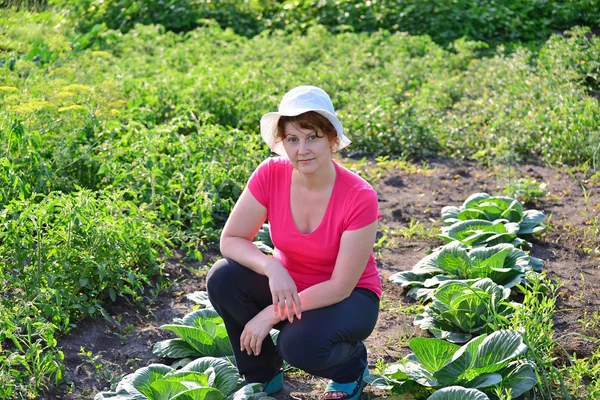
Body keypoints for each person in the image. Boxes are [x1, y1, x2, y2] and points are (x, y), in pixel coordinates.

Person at [206, 85, 381, 400]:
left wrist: (270, 314)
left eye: (312, 136)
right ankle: (263, 375)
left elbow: (340, 286)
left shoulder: (359, 196)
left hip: (348, 298)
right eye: (292, 139)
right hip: (289, 284)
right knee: (223, 277)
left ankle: (350, 368)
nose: (303, 149)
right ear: (282, 142)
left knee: (297, 345)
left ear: (331, 139)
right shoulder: (270, 175)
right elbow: (231, 239)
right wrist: (272, 267)